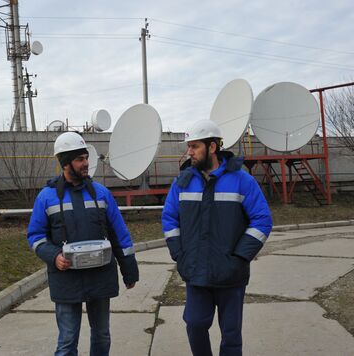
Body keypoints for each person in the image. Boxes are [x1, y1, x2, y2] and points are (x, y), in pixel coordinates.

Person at [161, 120, 272, 356]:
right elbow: (169, 219)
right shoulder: (183, 182)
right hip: (196, 273)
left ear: (212, 147)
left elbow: (262, 221)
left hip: (231, 275)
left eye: (194, 146)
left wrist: (239, 258)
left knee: (231, 335)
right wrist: (180, 255)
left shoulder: (242, 181)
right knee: (195, 325)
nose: (189, 151)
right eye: (188, 146)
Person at [27, 131, 139, 356]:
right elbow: (36, 236)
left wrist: (129, 271)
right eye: (80, 159)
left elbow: (120, 235)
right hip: (66, 280)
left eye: (86, 157)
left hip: (100, 277)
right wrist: (54, 256)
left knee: (102, 335)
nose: (86, 163)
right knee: (67, 340)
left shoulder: (101, 193)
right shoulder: (46, 197)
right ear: (65, 162)